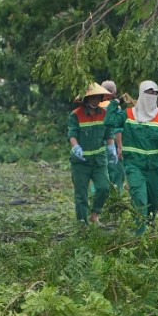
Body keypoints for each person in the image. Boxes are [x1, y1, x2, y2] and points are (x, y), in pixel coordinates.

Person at [117, 81, 158, 233]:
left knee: (153, 204)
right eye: (148, 93)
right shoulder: (128, 115)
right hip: (134, 166)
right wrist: (117, 102)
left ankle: (149, 230)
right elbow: (109, 122)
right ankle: (139, 238)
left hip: (154, 168)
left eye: (155, 93)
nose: (151, 96)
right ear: (141, 94)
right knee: (140, 200)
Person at [67, 83, 115, 225]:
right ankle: (82, 223)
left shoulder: (105, 114)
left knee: (104, 188)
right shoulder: (76, 115)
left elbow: (109, 133)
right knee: (81, 194)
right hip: (81, 162)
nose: (95, 100)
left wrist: (111, 147)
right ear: (86, 99)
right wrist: (75, 147)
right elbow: (72, 134)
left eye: (98, 97)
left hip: (99, 161)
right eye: (92, 97)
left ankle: (94, 215)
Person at [100, 80, 126, 192]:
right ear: (114, 92)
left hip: (98, 146)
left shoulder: (96, 105)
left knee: (100, 173)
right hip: (112, 145)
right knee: (117, 173)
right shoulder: (115, 107)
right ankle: (115, 199)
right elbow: (117, 128)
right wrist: (119, 147)